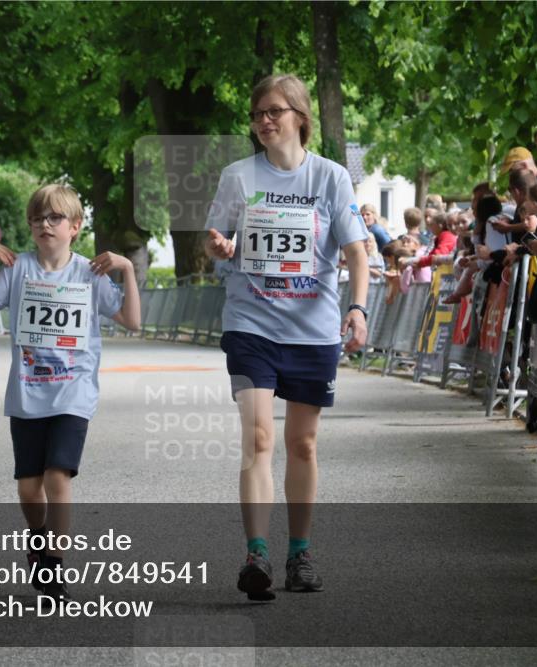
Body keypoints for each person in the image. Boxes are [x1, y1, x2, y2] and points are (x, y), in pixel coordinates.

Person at [204, 74, 368, 601]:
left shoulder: (331, 177)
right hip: (250, 324)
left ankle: (301, 552)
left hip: (312, 329)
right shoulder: (237, 176)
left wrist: (359, 308)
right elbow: (216, 240)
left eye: (274, 111)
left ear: (300, 116)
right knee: (258, 438)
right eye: (257, 115)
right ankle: (257, 553)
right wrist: (220, 247)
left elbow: (357, 252)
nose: (264, 121)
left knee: (302, 442)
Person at [0, 183, 141, 602]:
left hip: (73, 391)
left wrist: (128, 271)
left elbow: (132, 321)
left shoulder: (89, 272)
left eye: (55, 218)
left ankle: (54, 563)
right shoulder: (17, 269)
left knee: (57, 475)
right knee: (29, 488)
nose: (45, 224)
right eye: (38, 218)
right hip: (27, 392)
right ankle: (38, 536)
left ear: (75, 227)